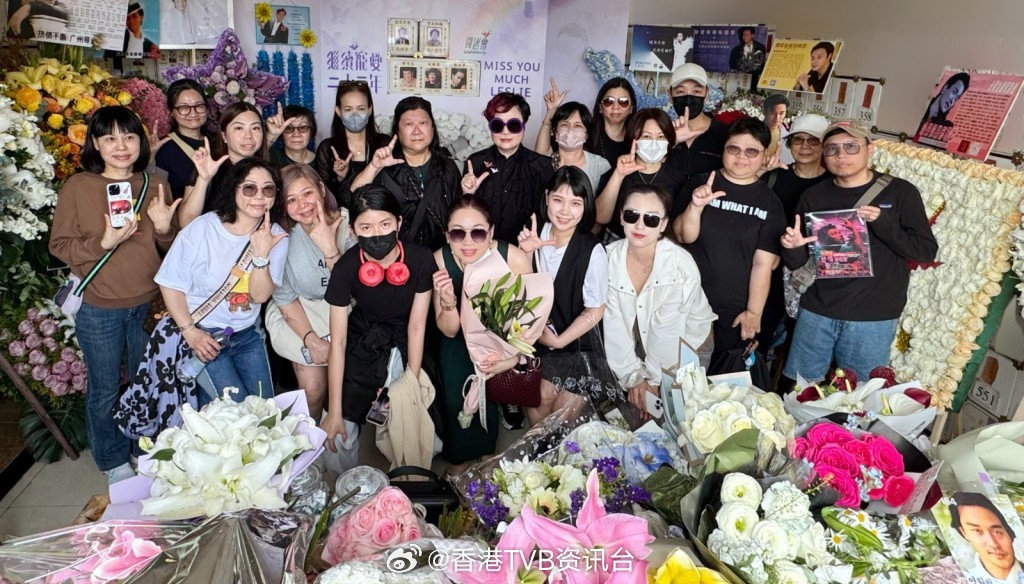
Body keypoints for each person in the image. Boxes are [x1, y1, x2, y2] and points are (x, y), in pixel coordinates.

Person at [49, 106, 178, 484]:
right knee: (105, 389)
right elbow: (59, 245)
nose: (121, 146)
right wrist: (102, 243)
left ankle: (143, 447)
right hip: (99, 308)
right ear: (95, 143)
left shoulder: (156, 184)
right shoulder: (78, 187)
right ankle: (111, 459)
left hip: (149, 304)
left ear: (141, 142)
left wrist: (165, 230)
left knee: (146, 382)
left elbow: (167, 249)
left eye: (129, 137)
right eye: (110, 138)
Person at [780, 119, 937, 382]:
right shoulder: (813, 196)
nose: (841, 155)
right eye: (832, 148)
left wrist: (884, 223)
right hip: (817, 310)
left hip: (872, 316)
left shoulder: (900, 192)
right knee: (800, 389)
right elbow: (801, 262)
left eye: (851, 146)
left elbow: (925, 251)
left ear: (869, 150)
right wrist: (792, 248)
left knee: (860, 395)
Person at [156, 157, 289, 404]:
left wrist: (261, 256)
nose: (259, 196)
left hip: (248, 333)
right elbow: (170, 282)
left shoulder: (276, 236)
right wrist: (190, 332)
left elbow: (259, 296)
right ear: (234, 189)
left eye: (268, 189)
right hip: (203, 332)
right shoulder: (204, 227)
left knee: (263, 407)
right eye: (249, 188)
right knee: (234, 407)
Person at [322, 185, 436, 471]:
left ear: (399, 222)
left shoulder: (421, 259)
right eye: (366, 227)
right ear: (352, 231)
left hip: (406, 339)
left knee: (409, 409)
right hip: (364, 339)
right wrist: (334, 410)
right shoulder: (345, 268)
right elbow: (338, 342)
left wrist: (412, 380)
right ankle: (345, 482)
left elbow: (417, 326)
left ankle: (394, 453)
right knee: (339, 422)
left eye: (385, 224)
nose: (377, 234)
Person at [672, 118, 786, 377]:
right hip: (685, 301)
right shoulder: (700, 184)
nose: (742, 157)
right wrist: (695, 207)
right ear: (723, 149)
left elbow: (763, 263)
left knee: (721, 381)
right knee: (679, 376)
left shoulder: (770, 203)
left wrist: (753, 313)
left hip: (733, 310)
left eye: (752, 151)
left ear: (764, 155)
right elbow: (682, 237)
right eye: (734, 148)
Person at [433, 196, 532, 471]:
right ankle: (459, 459)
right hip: (456, 345)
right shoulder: (440, 260)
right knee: (455, 396)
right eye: (458, 233)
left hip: (501, 346)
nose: (468, 242)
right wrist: (448, 301)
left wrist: (511, 359)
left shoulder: (512, 257)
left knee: (490, 395)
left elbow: (530, 317)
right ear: (447, 235)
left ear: (491, 233)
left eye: (477, 233)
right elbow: (449, 330)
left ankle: (487, 454)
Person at [517, 167, 617, 424]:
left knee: (564, 413)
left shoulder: (592, 250)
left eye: (575, 203)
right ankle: (540, 450)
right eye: (558, 200)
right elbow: (520, 292)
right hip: (538, 339)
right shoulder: (533, 233)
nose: (564, 211)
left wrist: (560, 341)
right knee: (539, 400)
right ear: (546, 197)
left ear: (585, 207)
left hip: (578, 343)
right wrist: (526, 253)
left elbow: (595, 310)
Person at [605, 184, 716, 416]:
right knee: (636, 411)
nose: (640, 225)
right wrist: (634, 378)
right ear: (621, 217)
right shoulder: (607, 259)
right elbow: (614, 325)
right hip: (637, 336)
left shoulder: (679, 267)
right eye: (632, 215)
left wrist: (654, 381)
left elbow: (667, 334)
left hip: (687, 341)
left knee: (676, 414)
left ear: (663, 224)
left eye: (651, 219)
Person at [266, 164, 350, 419]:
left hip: (343, 309)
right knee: (313, 390)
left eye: (307, 193)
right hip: (299, 311)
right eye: (291, 199)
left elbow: (357, 289)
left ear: (321, 189)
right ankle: (309, 438)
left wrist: (330, 250)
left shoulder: (348, 223)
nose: (302, 204)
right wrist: (310, 339)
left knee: (346, 387)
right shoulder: (282, 236)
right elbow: (284, 297)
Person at [351, 96, 461, 251]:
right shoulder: (385, 166)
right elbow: (353, 197)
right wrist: (374, 167)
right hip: (397, 254)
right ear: (397, 131)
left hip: (441, 252)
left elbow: (459, 211)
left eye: (422, 123)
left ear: (432, 128)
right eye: (409, 124)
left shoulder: (447, 166)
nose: (417, 131)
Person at [462, 92, 553, 244]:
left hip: (526, 248)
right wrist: (467, 194)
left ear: (523, 126)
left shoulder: (542, 166)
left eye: (513, 125)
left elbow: (548, 214)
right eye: (497, 125)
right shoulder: (476, 162)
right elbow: (463, 215)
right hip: (482, 246)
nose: (505, 132)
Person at [597, 108, 687, 239]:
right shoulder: (616, 173)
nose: (654, 143)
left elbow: (679, 228)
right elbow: (600, 217)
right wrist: (618, 175)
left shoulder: (678, 179)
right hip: (617, 242)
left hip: (658, 243)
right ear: (633, 138)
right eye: (646, 136)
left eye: (661, 137)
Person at [178, 101, 267, 227]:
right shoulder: (208, 167)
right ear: (224, 136)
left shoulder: (268, 171)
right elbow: (185, 222)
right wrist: (203, 179)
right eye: (239, 128)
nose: (248, 136)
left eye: (255, 128)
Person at [313, 80, 390, 208]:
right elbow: (321, 196)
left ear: (370, 110)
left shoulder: (384, 144)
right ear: (339, 111)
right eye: (348, 109)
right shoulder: (327, 148)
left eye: (361, 109)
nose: (355, 115)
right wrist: (340, 179)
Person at [666, 63, 727, 184]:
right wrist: (671, 143)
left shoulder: (724, 134)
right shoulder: (662, 133)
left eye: (697, 91)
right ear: (670, 95)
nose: (688, 98)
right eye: (680, 92)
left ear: (706, 94)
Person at [535, 99, 610, 194]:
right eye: (564, 125)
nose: (570, 131)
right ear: (555, 132)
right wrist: (551, 111)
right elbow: (540, 153)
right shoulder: (546, 161)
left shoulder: (599, 165)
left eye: (578, 126)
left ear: (586, 135)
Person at [155, 79, 210, 200]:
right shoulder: (162, 148)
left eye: (199, 106)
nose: (193, 113)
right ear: (171, 112)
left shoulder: (220, 141)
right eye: (184, 107)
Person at [951, 492, 1024, 583]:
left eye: (997, 532)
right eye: (977, 531)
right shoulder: (959, 578)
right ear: (963, 532)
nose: (993, 544)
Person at [587, 77, 636, 169]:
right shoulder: (585, 136)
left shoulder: (639, 139)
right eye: (609, 101)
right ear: (600, 107)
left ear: (631, 108)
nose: (615, 107)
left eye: (623, 102)